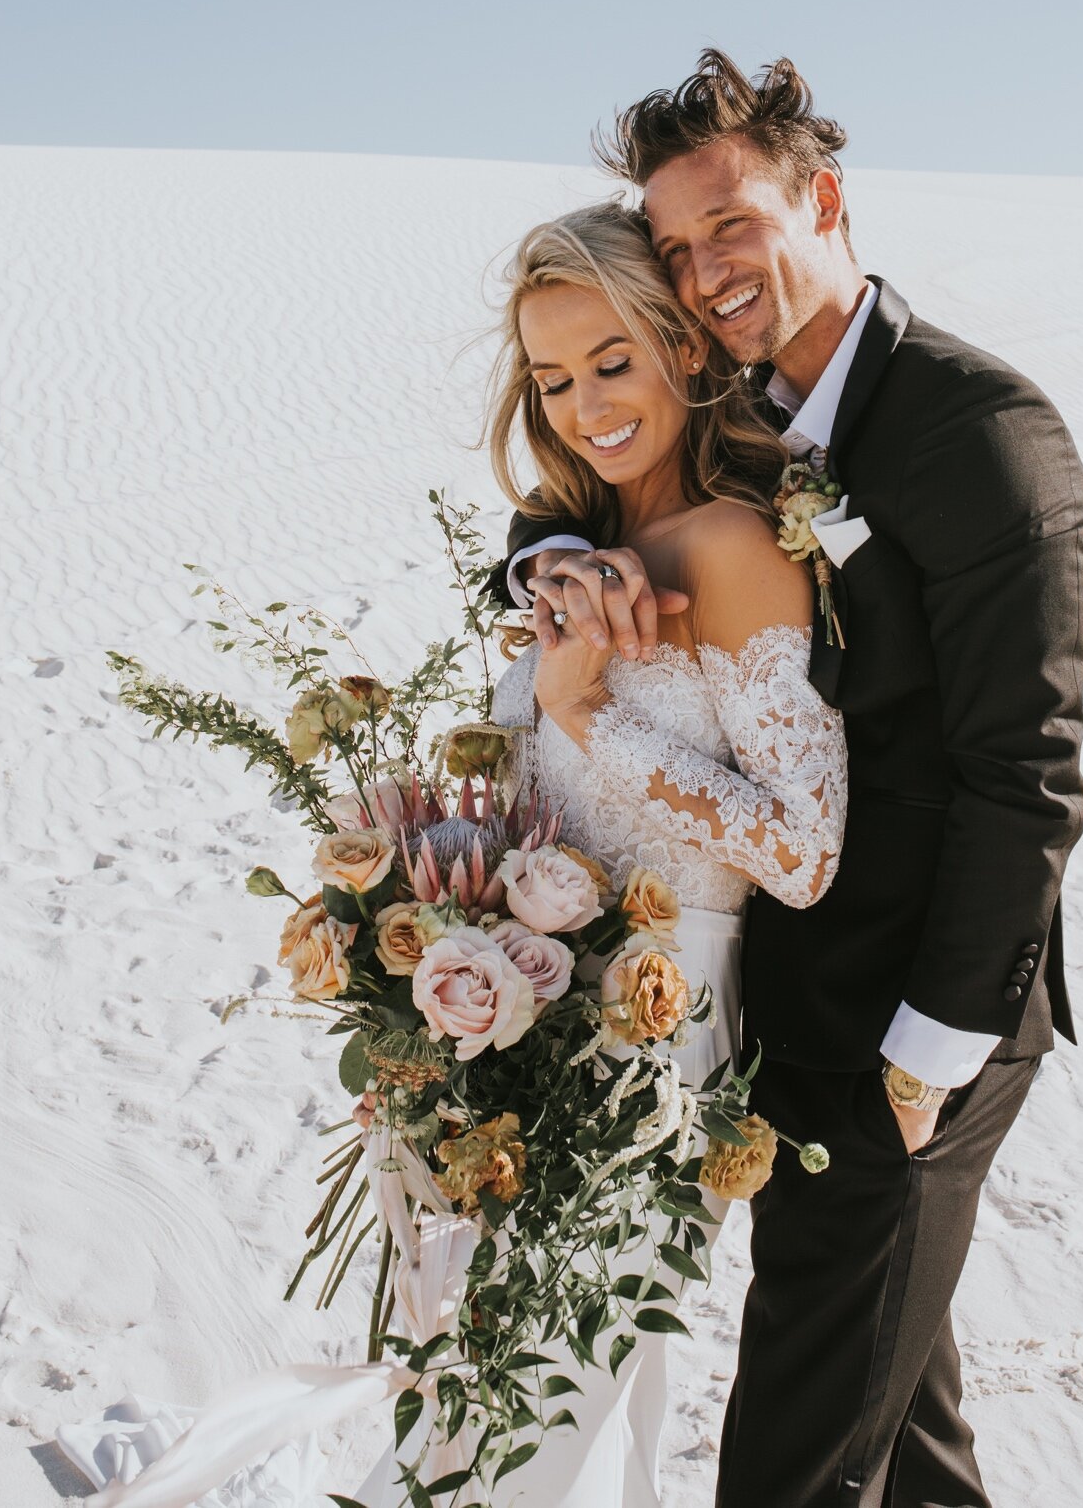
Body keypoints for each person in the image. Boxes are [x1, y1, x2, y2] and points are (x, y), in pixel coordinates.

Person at [497, 49, 1083, 1508]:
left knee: (795, 1459)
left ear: (822, 197)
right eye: (679, 247)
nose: (705, 272)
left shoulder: (984, 438)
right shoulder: (736, 397)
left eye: (732, 225)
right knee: (903, 1430)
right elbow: (597, 482)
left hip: (911, 1016)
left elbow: (1029, 777)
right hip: (780, 992)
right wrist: (559, 564)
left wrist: (932, 1052)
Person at [363, 197, 849, 1508]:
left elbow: (803, 851)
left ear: (690, 351)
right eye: (554, 375)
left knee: (533, 1431)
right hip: (508, 1020)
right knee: (448, 1418)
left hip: (654, 1044)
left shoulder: (740, 551)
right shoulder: (571, 550)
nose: (584, 402)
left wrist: (583, 705)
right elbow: (534, 799)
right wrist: (413, 981)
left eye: (613, 359)